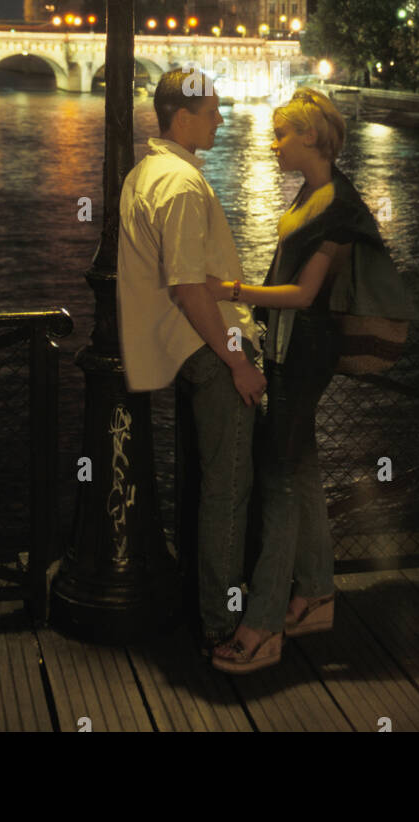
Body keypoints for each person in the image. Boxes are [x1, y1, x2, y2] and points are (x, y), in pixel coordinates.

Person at [205, 87, 386, 673]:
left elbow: (305, 295)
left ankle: (262, 627)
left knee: (278, 483)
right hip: (289, 349)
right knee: (301, 466)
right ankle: (317, 596)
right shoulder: (315, 193)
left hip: (302, 356)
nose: (273, 142)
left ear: (310, 136)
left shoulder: (337, 207)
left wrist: (229, 291)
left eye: (282, 133)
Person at [116, 69, 267, 657]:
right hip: (206, 351)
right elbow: (187, 288)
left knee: (204, 484)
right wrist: (239, 363)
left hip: (177, 352)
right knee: (229, 489)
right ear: (182, 118)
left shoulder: (143, 176)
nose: (222, 121)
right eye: (213, 113)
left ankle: (201, 600)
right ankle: (221, 623)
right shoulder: (180, 186)